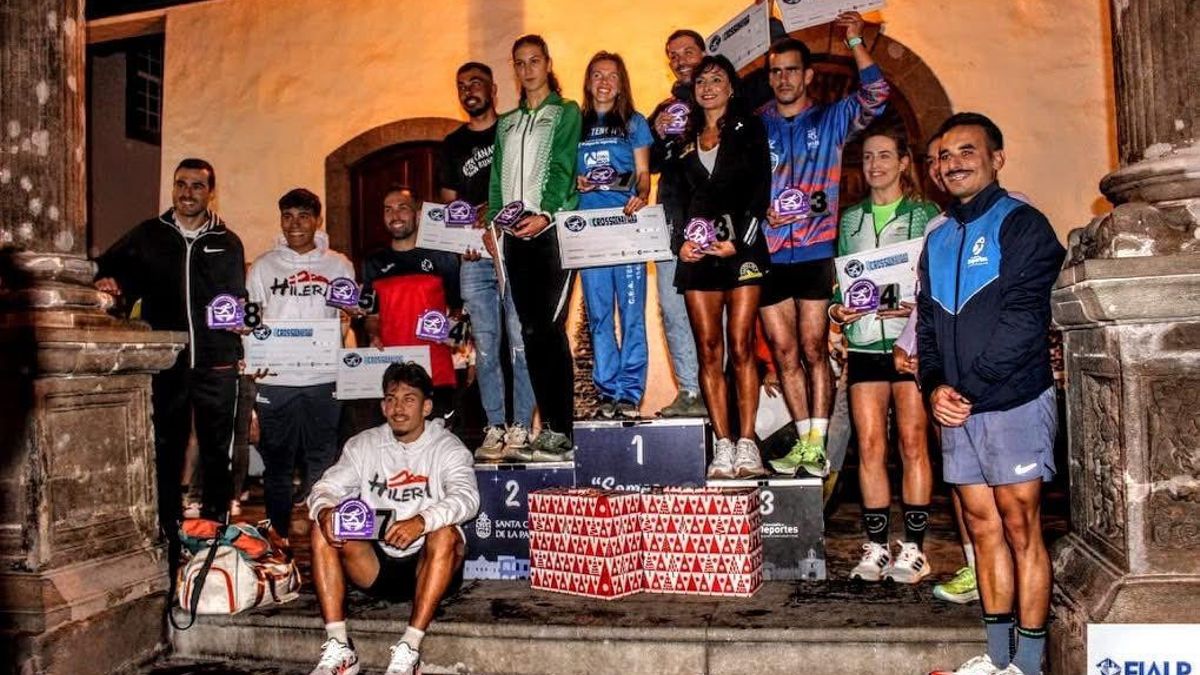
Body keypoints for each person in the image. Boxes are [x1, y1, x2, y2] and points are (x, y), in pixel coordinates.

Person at [919, 113, 1065, 675]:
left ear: (996, 158)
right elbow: (928, 329)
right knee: (981, 531)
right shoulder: (937, 238)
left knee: (1021, 526)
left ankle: (1028, 666)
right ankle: (999, 660)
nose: (952, 163)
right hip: (957, 407)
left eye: (965, 151)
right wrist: (934, 387)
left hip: (1012, 402)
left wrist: (966, 391)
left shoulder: (1023, 225)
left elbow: (1026, 323)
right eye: (942, 156)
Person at [757, 14, 891, 478]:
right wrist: (760, 212)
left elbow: (876, 94)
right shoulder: (756, 126)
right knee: (784, 352)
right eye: (776, 71)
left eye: (792, 70)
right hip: (770, 254)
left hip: (814, 252)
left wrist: (855, 37)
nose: (784, 78)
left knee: (814, 349)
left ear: (807, 75)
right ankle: (802, 440)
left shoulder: (831, 119)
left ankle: (817, 443)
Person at [95, 158, 245, 567]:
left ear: (210, 192)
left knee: (218, 450)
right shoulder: (149, 235)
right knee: (166, 447)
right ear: (173, 188)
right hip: (168, 363)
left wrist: (243, 327)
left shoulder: (227, 241)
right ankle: (167, 532)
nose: (188, 192)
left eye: (197, 185)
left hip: (216, 363)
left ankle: (215, 531)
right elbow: (105, 267)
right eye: (181, 184)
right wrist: (107, 283)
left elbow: (236, 301)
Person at [306, 362, 478, 675]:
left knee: (446, 533)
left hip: (430, 565)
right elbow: (325, 488)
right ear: (383, 405)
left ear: (426, 407)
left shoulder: (448, 448)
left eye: (408, 400)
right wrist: (325, 509)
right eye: (391, 399)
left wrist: (421, 522)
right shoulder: (363, 444)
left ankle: (410, 648)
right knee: (323, 527)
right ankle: (340, 648)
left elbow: (468, 499)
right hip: (377, 565)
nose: (398, 409)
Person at [828, 129, 939, 583]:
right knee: (870, 446)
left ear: (904, 161)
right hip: (864, 342)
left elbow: (934, 279)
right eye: (868, 156)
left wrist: (920, 307)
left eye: (885, 156)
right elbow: (838, 284)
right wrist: (837, 311)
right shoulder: (850, 219)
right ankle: (875, 547)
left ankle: (913, 549)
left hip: (908, 344)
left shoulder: (927, 215)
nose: (875, 164)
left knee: (912, 443)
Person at [663, 54, 772, 480]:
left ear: (731, 87)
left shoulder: (750, 129)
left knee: (741, 345)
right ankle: (722, 444)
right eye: (702, 80)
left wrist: (739, 241)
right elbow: (670, 198)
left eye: (717, 79)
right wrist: (679, 245)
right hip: (697, 259)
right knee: (709, 350)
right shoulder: (679, 140)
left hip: (740, 251)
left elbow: (761, 188)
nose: (708, 86)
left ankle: (748, 444)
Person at [487, 34, 581, 460]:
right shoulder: (506, 122)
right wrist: (494, 226)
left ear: (547, 63)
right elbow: (496, 180)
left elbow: (564, 163)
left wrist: (546, 213)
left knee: (547, 328)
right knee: (527, 333)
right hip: (512, 239)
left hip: (550, 233)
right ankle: (549, 429)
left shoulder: (566, 111)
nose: (527, 70)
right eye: (520, 63)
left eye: (534, 61)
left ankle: (562, 427)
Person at [439, 61, 536, 462]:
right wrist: (459, 233)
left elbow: (528, 185)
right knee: (486, 346)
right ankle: (495, 425)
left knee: (520, 341)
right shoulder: (451, 144)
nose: (469, 90)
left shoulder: (512, 129)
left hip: (514, 250)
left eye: (476, 82)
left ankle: (522, 426)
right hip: (474, 257)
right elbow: (449, 204)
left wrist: (493, 210)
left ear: (494, 88)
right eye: (461, 85)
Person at [246, 188, 355, 540]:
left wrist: (353, 318)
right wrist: (253, 360)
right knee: (276, 466)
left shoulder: (339, 265)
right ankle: (277, 540)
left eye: (303, 216)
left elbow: (345, 318)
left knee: (321, 463)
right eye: (288, 216)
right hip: (275, 380)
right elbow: (252, 320)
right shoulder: (263, 266)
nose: (295, 224)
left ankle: (320, 540)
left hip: (324, 378)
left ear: (317, 220)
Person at [575, 51, 653, 419]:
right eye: (597, 75)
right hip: (589, 235)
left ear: (621, 83)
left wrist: (640, 194)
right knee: (599, 316)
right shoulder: (575, 124)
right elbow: (561, 175)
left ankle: (630, 393)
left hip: (626, 229)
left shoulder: (634, 122)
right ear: (588, 82)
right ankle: (607, 391)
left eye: (612, 76)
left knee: (632, 313)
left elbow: (642, 174)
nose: (604, 82)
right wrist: (573, 183)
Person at [645, 29, 707, 418]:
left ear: (704, 53)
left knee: (715, 311)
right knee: (672, 308)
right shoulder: (664, 108)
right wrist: (655, 132)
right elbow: (647, 164)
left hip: (713, 224)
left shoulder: (723, 102)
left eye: (688, 51)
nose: (681, 59)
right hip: (667, 223)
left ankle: (720, 386)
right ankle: (689, 390)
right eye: (673, 54)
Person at [362, 186, 462, 421]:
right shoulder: (373, 262)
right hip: (390, 375)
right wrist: (373, 334)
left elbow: (459, 310)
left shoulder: (443, 257)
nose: (395, 216)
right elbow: (371, 316)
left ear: (418, 214)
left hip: (437, 373)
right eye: (388, 210)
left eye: (402, 208)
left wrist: (455, 335)